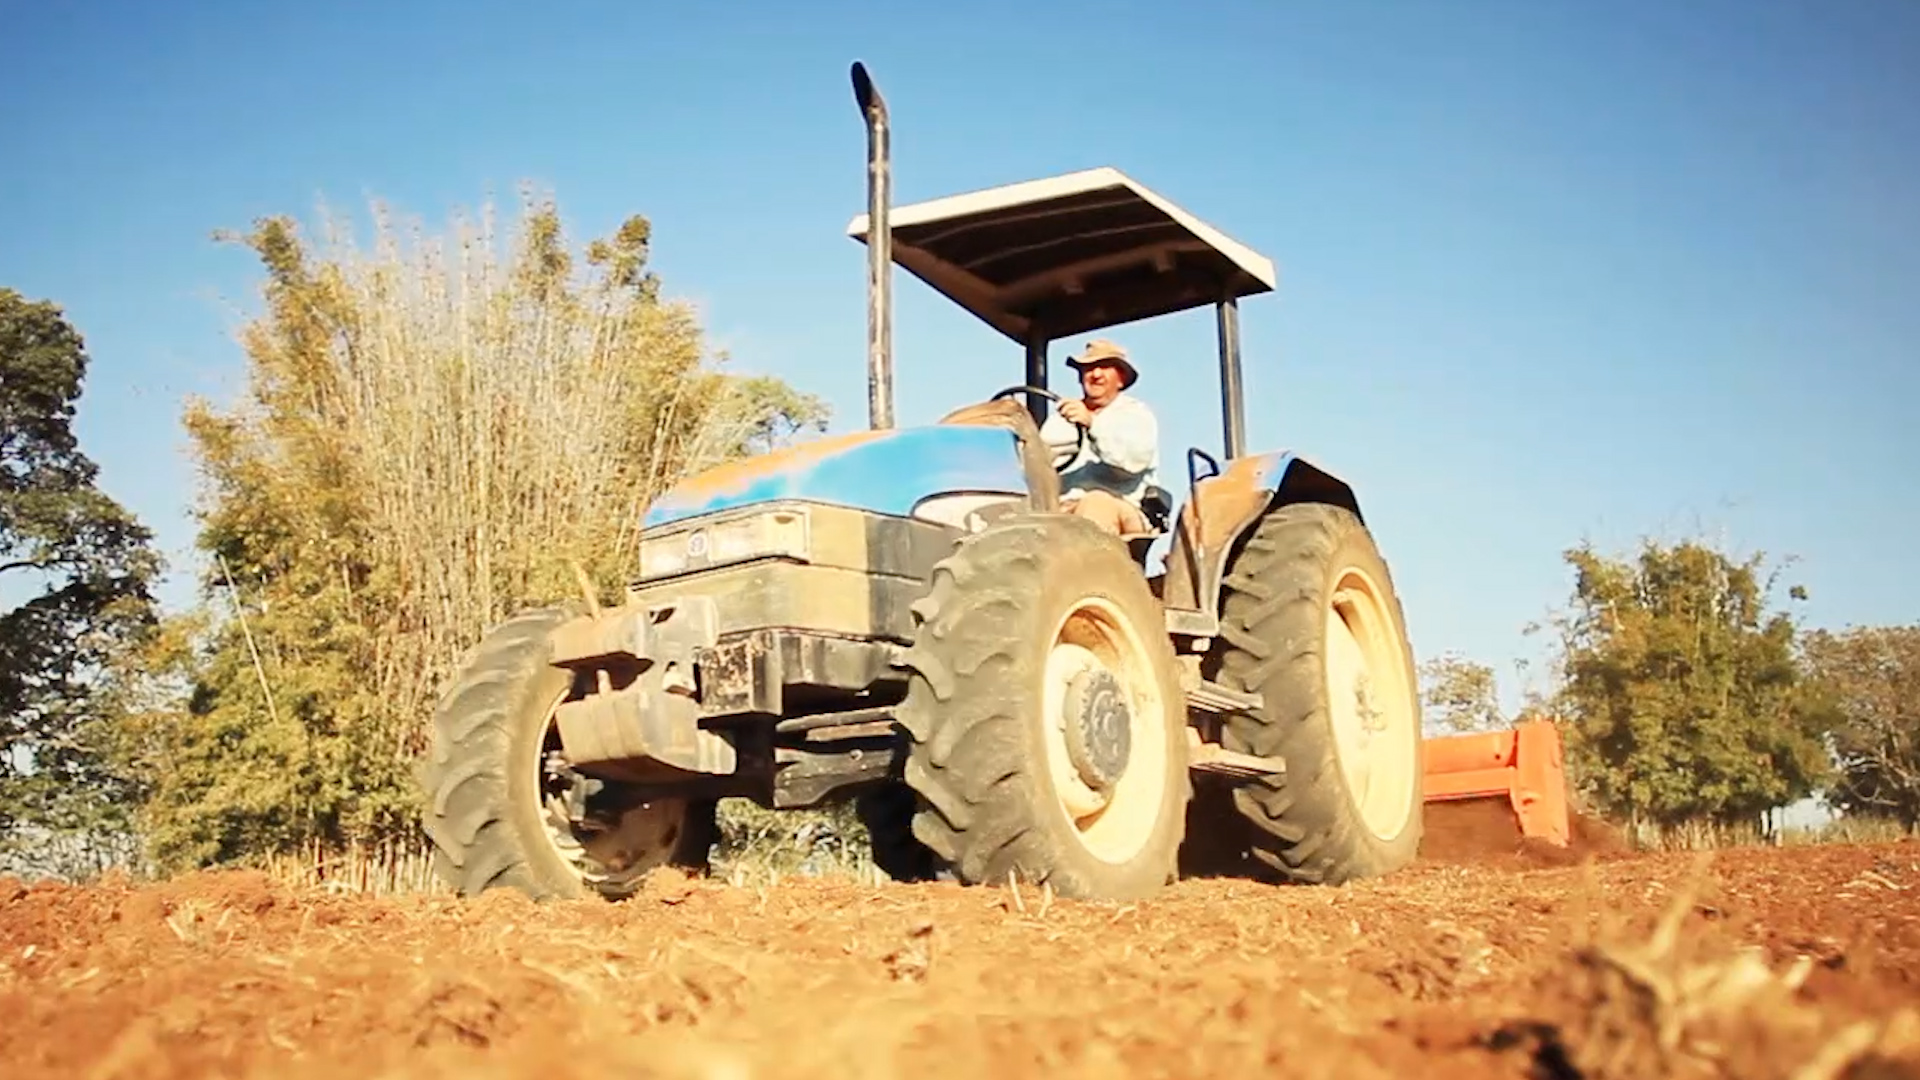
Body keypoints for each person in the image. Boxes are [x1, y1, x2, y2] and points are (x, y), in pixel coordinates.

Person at [1038, 338, 1160, 536]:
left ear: (1121, 379)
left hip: (1121, 507)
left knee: (1095, 505)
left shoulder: (1136, 415)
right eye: (1088, 368)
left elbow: (1133, 461)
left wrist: (1092, 425)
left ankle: (1085, 565)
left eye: (1104, 367)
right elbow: (1039, 465)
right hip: (1062, 511)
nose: (1095, 374)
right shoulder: (1059, 420)